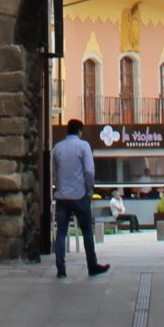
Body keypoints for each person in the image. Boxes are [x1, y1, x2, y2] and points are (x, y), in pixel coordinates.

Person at [51, 118, 110, 279]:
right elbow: (89, 171)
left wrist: (58, 186)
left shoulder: (57, 148)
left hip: (62, 196)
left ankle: (61, 269)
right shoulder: (83, 146)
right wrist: (89, 190)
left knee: (61, 232)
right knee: (86, 231)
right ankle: (92, 265)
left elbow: (54, 172)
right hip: (79, 195)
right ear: (79, 131)